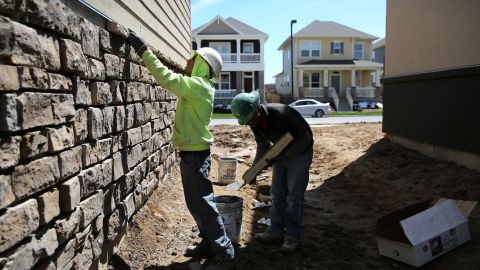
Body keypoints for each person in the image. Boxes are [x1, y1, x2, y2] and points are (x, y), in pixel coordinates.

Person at [128, 32, 235, 269]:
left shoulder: (199, 86)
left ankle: (225, 253)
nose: (187, 62)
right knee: (196, 203)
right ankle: (209, 242)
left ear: (202, 65)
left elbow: (166, 77)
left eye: (192, 60)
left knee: (203, 204)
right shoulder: (198, 86)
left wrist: (144, 50)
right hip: (193, 153)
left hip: (196, 155)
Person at [231, 91, 313, 253]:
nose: (249, 124)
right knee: (277, 193)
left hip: (300, 151)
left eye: (250, 119)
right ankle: (275, 231)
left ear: (257, 111)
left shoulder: (282, 114)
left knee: (294, 196)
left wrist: (279, 157)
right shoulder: (254, 123)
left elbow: (304, 139)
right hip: (281, 151)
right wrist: (254, 170)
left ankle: (292, 237)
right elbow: (263, 147)